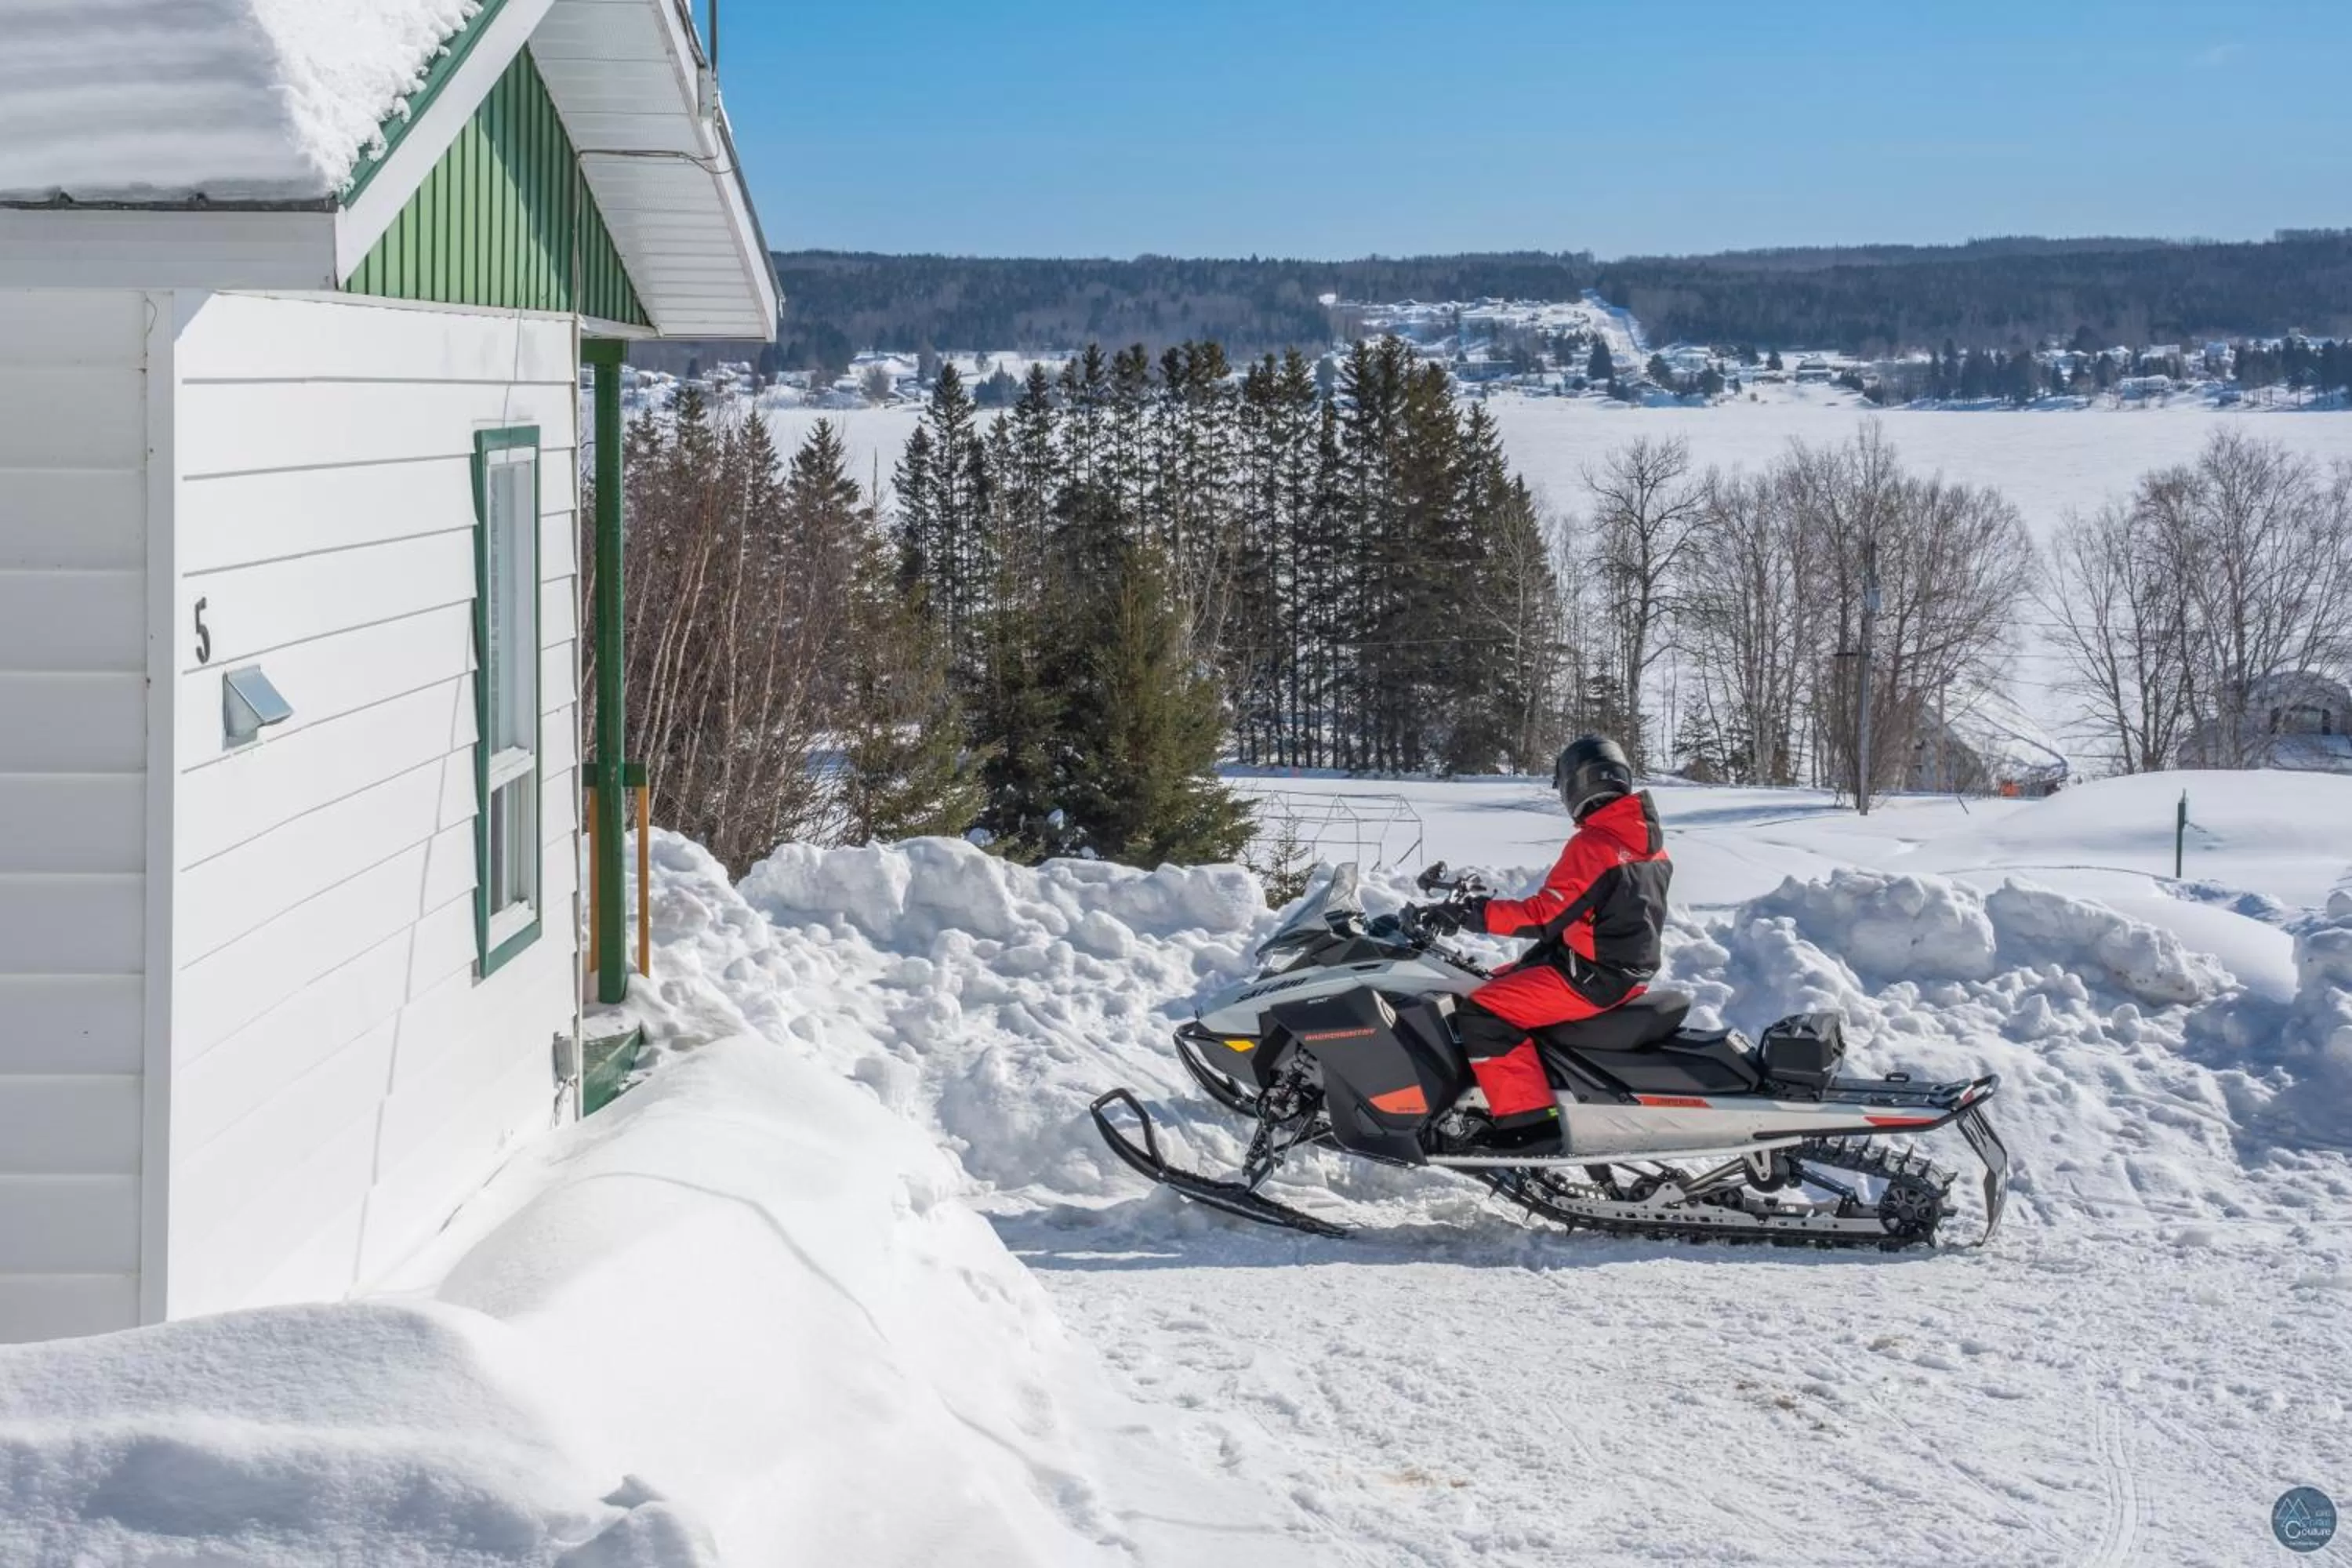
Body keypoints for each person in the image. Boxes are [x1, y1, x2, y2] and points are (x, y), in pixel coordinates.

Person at [1425, 735, 1671, 1156]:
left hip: (1593, 977)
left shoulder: (1595, 845)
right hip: (1617, 970)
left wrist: (1474, 916)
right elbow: (1595, 914)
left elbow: (1544, 915)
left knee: (1483, 1013)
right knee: (1484, 980)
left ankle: (1529, 1126)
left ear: (1575, 785)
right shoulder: (1645, 844)